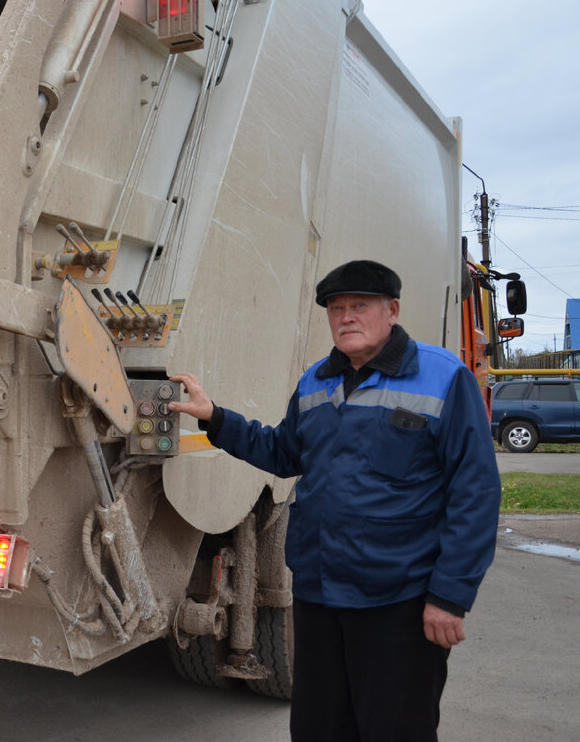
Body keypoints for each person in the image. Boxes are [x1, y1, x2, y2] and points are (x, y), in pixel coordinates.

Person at [168, 259, 500, 742]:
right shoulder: (316, 382)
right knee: (319, 729)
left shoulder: (443, 378)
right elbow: (283, 452)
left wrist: (449, 596)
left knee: (395, 730)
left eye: (359, 306)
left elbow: (476, 493)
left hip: (398, 603)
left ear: (392, 311)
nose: (345, 317)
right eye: (336, 308)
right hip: (320, 596)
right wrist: (216, 418)